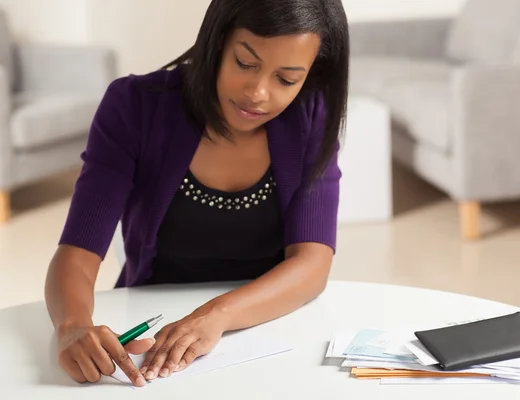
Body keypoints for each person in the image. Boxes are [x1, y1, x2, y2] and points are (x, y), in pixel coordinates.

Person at [43, 0, 349, 388]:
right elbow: (77, 255)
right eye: (245, 62)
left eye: (286, 79)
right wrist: (71, 326)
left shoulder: (311, 114)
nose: (258, 92)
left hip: (271, 328)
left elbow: (312, 264)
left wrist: (216, 316)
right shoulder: (135, 107)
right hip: (155, 334)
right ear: (217, 41)